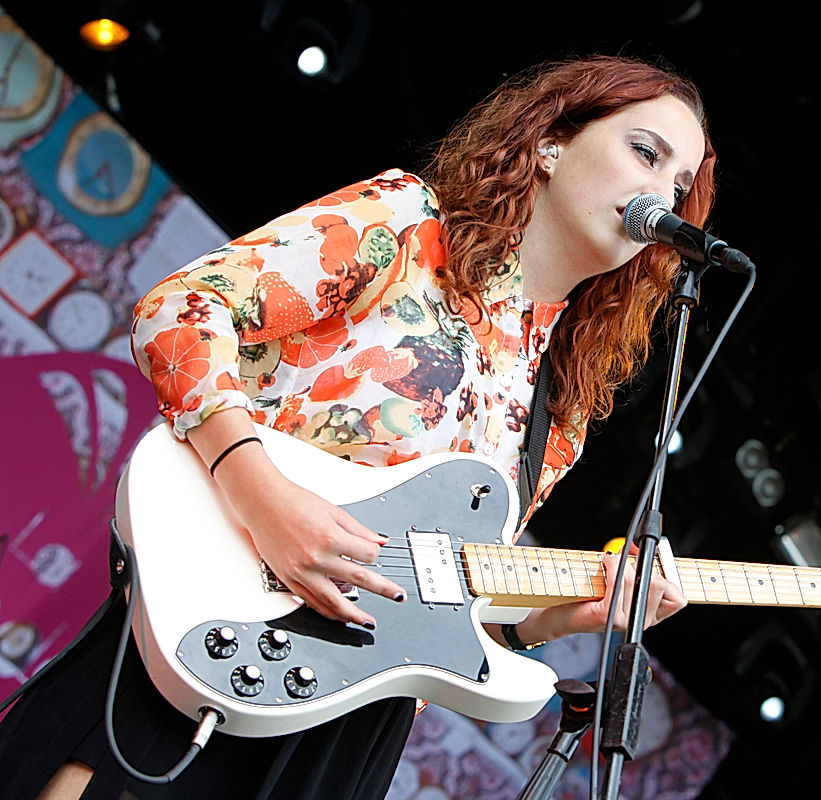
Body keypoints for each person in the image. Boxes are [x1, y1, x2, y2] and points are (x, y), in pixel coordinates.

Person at [0, 53, 717, 800]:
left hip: (344, 738)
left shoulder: (560, 401)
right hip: (207, 651)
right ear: (551, 141)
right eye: (645, 152)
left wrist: (559, 619)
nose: (659, 194)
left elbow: (440, 608)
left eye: (678, 186)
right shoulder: (410, 225)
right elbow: (181, 311)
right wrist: (260, 496)